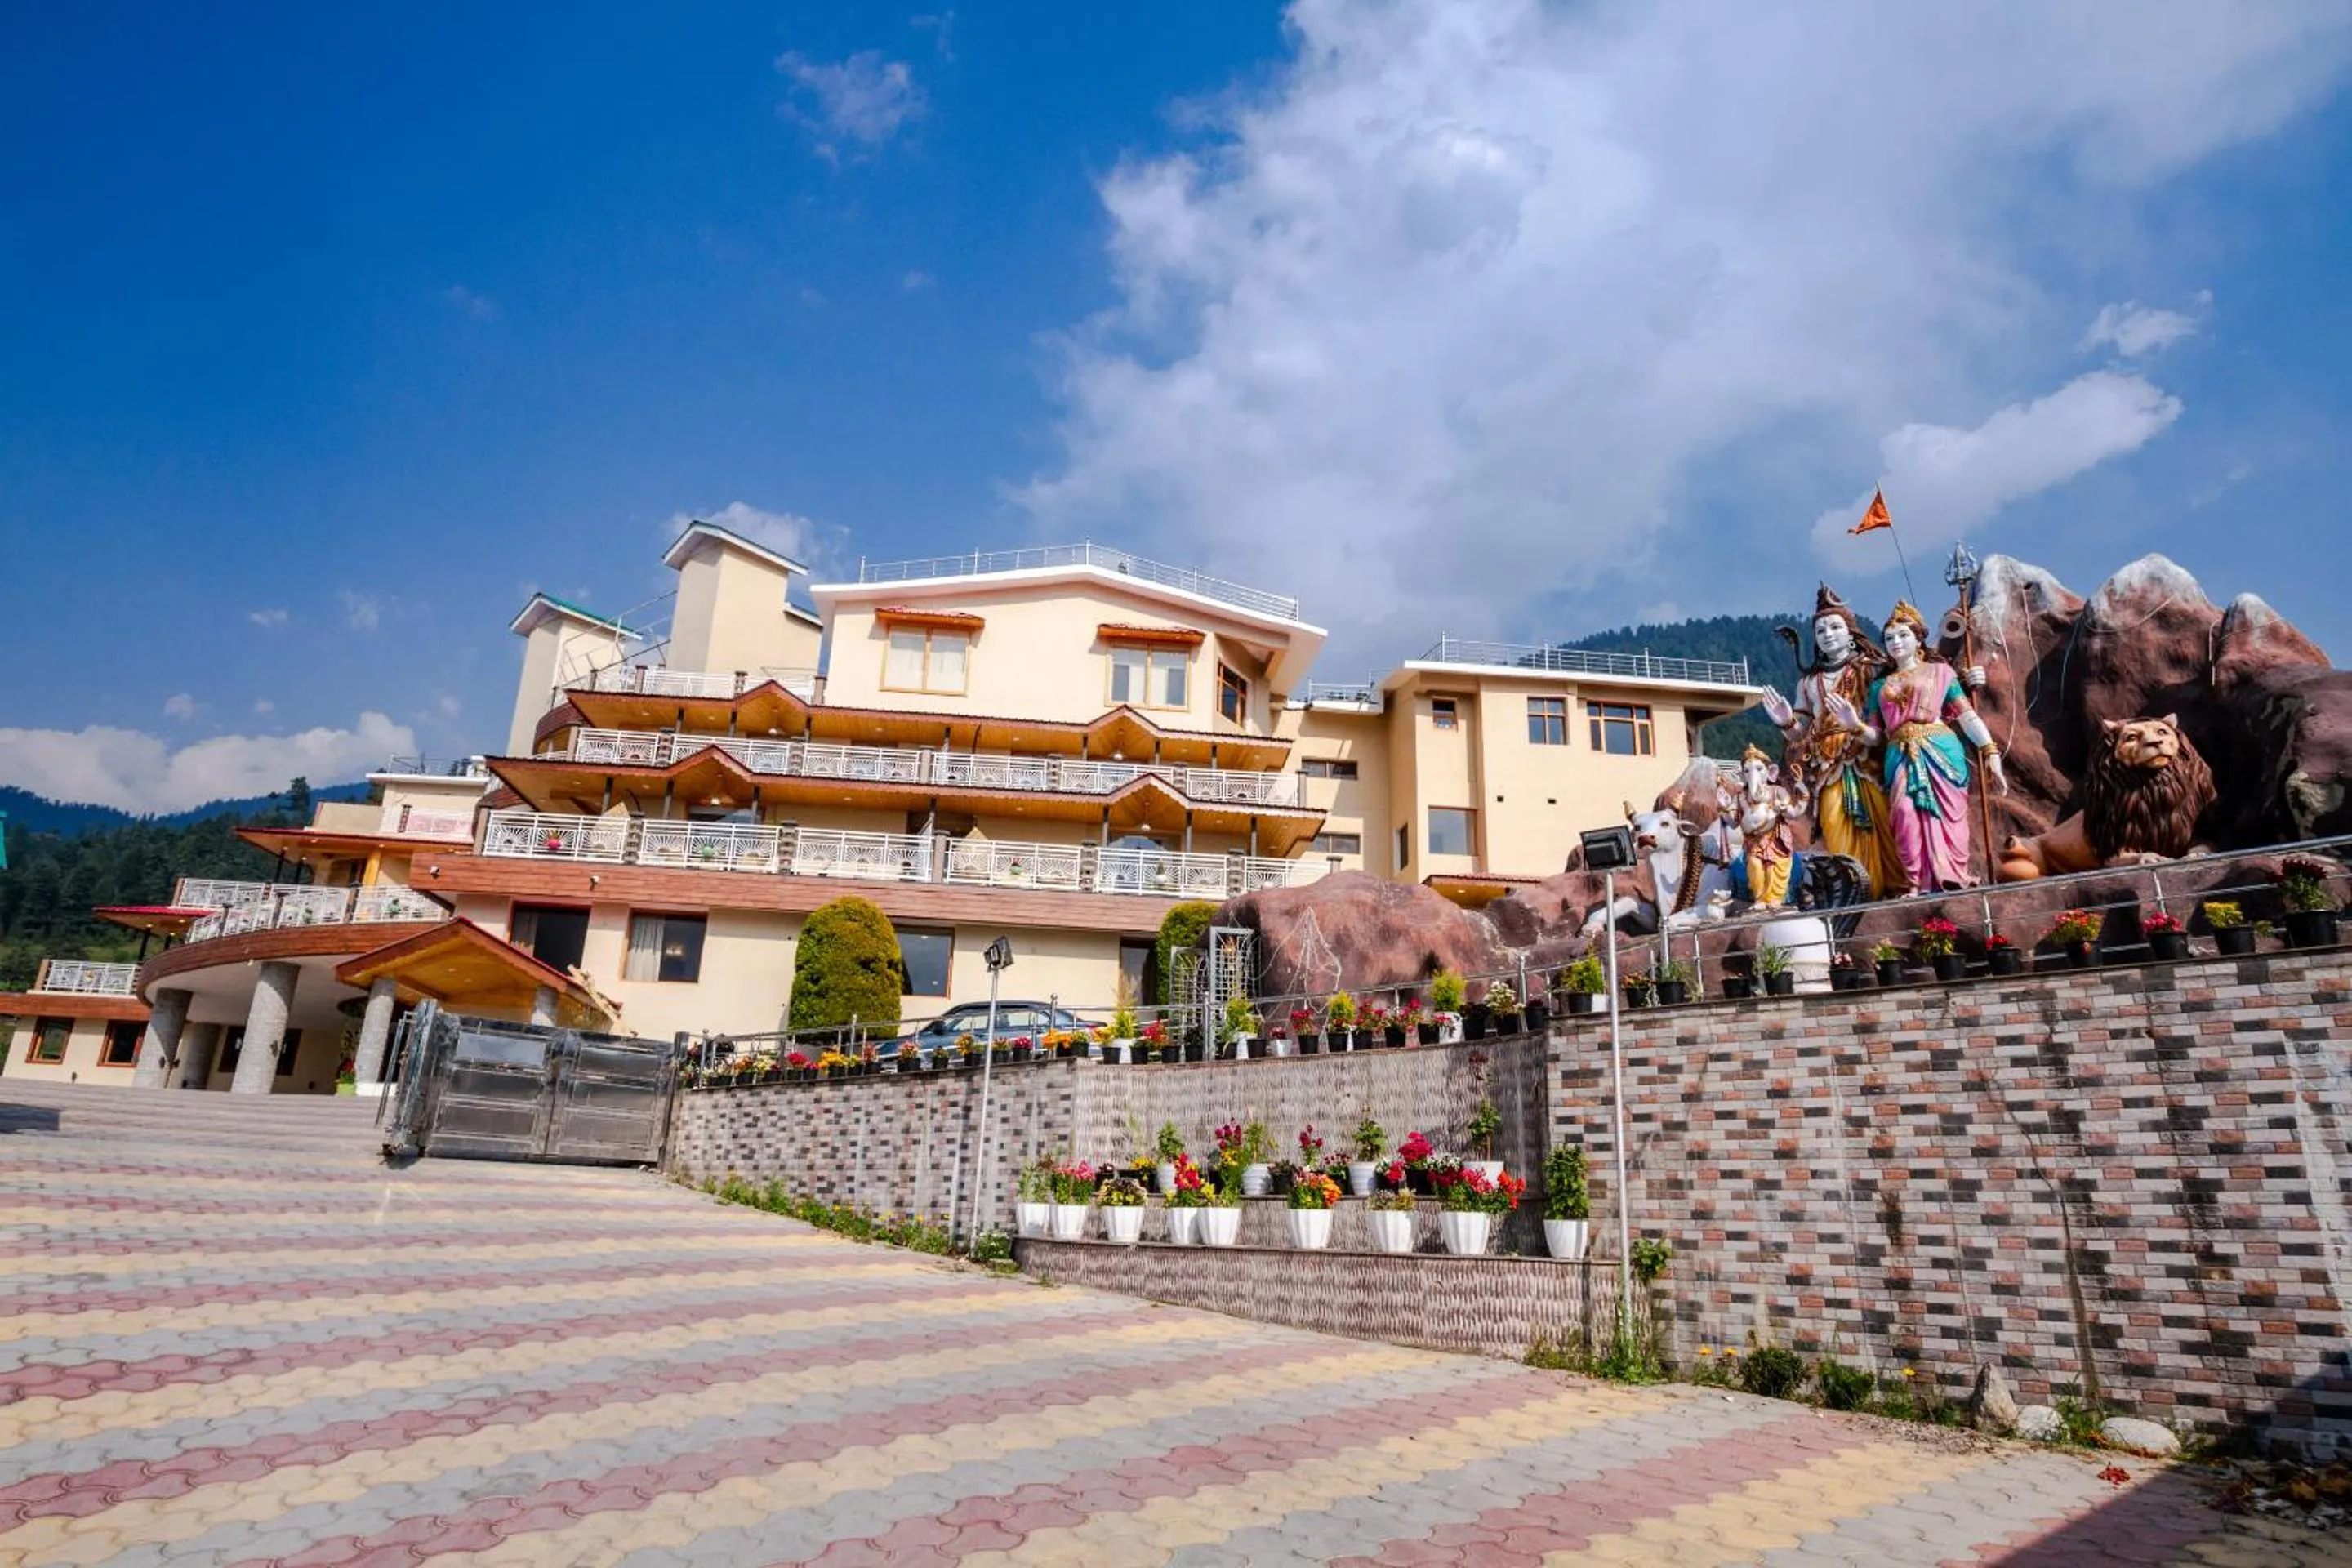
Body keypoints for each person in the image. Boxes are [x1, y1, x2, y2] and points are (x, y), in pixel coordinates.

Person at [1828, 601, 2007, 892]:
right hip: (1900, 754)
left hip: (1941, 751)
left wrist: (1990, 750)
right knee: (1905, 814)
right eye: (1889, 638)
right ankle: (1917, 882)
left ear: (1919, 639)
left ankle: (1953, 876)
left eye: (1903, 635)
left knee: (1947, 815)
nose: (1895, 642)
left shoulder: (1941, 673)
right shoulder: (1879, 687)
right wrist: (1854, 725)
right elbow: (1876, 736)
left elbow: (1967, 716)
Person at [1761, 585, 1906, 898]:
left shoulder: (1872, 670)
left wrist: (1856, 726)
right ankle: (1857, 892)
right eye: (1821, 630)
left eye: (1836, 627)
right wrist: (1785, 721)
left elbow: (1906, 689)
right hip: (1828, 768)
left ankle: (1893, 888)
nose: (1828, 635)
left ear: (1851, 633)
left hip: (1868, 760)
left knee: (1883, 824)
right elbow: (1799, 735)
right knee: (1834, 824)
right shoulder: (1809, 683)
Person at [1731, 744, 1802, 908]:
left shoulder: (1777, 791)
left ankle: (1776, 898)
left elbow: (1793, 813)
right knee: (1755, 865)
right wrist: (1724, 810)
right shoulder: (1741, 796)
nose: (1753, 775)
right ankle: (1760, 899)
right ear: (1742, 775)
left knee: (1774, 865)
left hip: (1775, 839)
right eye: (1747, 771)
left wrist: (1784, 808)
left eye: (1759, 769)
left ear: (1771, 772)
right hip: (1754, 841)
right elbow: (1733, 822)